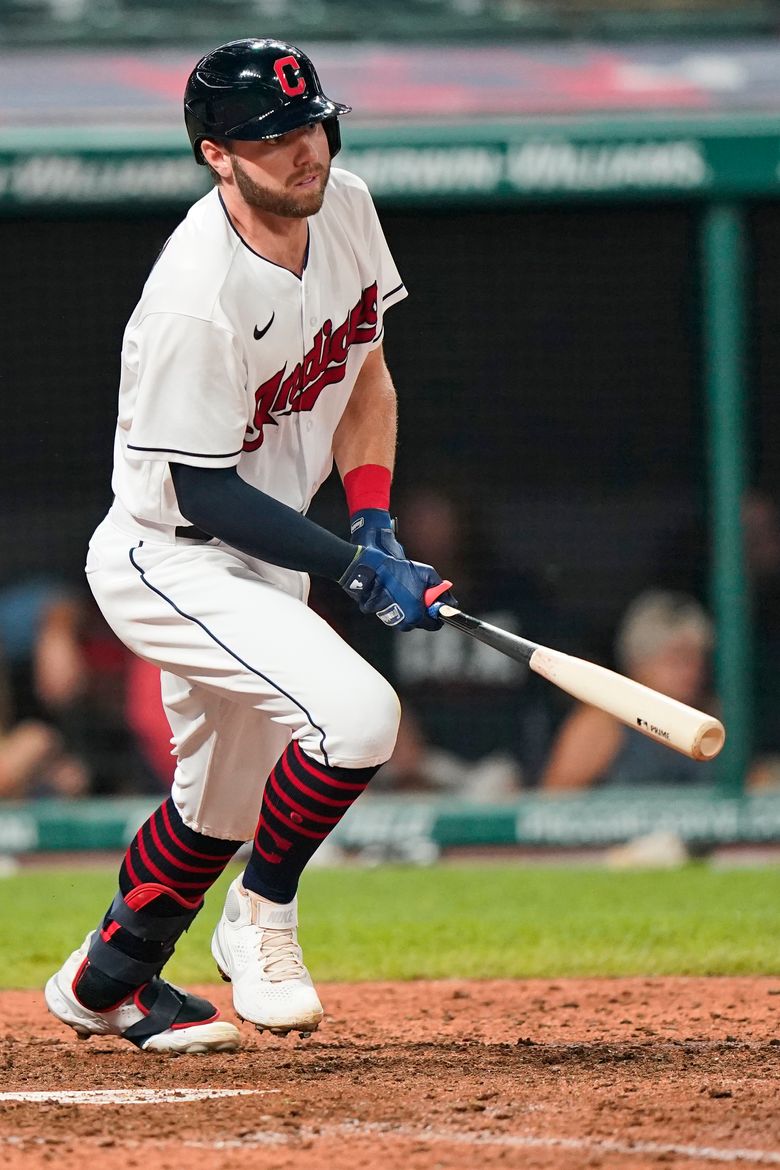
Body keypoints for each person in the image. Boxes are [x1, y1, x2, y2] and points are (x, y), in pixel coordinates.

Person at [45, 38, 455, 1055]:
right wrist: (353, 568)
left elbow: (365, 374)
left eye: (311, 121)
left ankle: (106, 982)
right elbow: (205, 493)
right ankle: (260, 916)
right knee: (358, 719)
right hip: (169, 552)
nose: (303, 148)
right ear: (216, 155)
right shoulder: (195, 294)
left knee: (219, 802)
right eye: (272, 136)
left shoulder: (346, 205)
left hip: (266, 549)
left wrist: (373, 519)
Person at [540, 590, 715, 791]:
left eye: (698, 660)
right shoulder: (604, 723)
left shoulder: (708, 721)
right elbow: (551, 807)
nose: (692, 671)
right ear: (639, 662)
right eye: (677, 659)